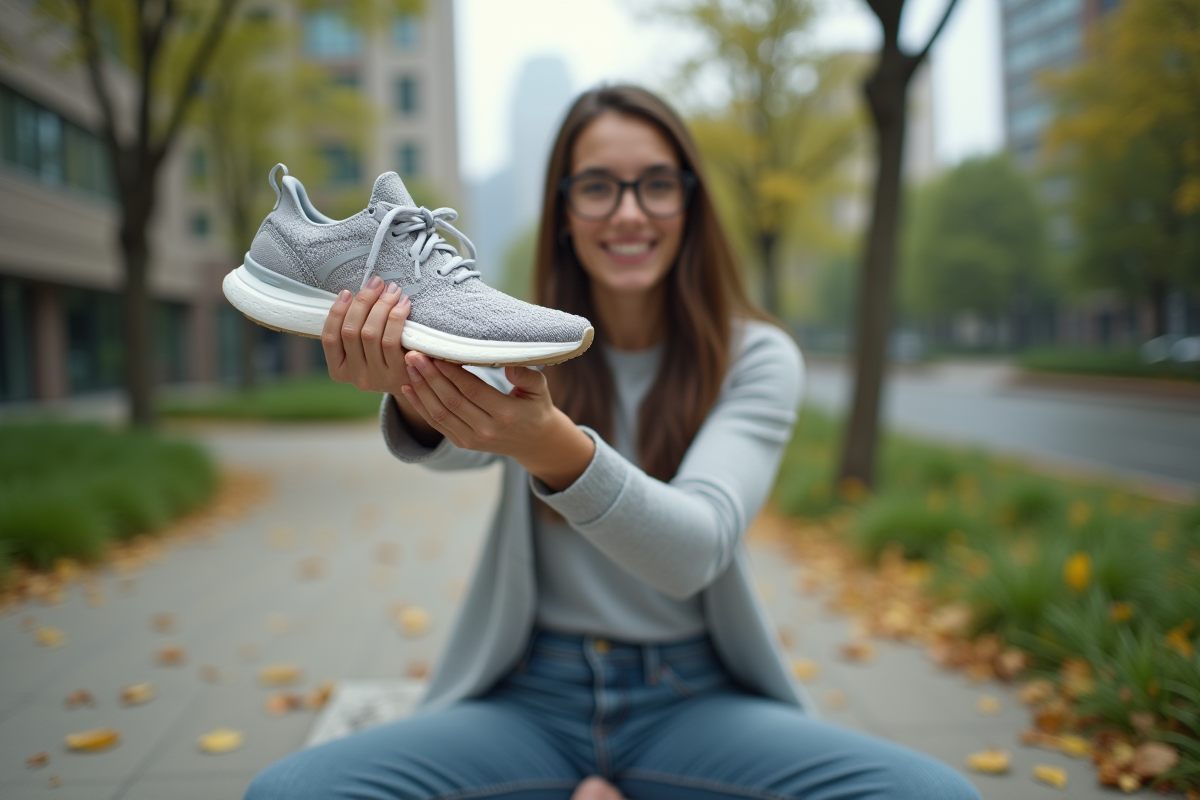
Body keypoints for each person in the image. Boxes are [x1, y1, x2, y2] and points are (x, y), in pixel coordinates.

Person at [245, 85, 981, 800]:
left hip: (691, 703)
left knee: (934, 793)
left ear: (691, 202)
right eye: (597, 187)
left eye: (656, 185)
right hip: (531, 699)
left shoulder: (757, 357)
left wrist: (553, 446)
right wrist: (407, 382)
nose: (629, 213)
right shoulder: (519, 339)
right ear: (564, 211)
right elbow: (470, 438)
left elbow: (696, 549)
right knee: (290, 791)